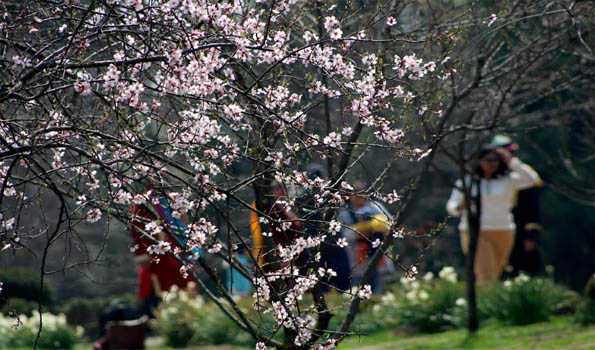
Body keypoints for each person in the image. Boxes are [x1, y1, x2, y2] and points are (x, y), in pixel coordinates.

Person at [446, 143, 541, 284]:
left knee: (494, 273)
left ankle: (477, 303)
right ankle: (483, 304)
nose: (492, 164)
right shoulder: (467, 181)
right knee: (486, 274)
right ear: (479, 161)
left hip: (504, 230)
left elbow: (532, 180)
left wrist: (512, 160)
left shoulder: (509, 180)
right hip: (474, 231)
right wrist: (459, 207)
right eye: (487, 160)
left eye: (495, 160)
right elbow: (451, 206)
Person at [491, 135, 545, 277]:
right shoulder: (491, 174)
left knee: (525, 268)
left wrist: (531, 236)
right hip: (497, 226)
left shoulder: (521, 171)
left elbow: (533, 203)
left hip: (521, 227)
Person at [296, 163, 351, 292]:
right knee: (334, 275)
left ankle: (330, 292)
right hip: (325, 240)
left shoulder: (307, 197)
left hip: (323, 241)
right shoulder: (324, 195)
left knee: (326, 274)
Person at [338, 181, 391, 293]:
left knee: (378, 287)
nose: (360, 197)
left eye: (363, 193)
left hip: (377, 254)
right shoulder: (344, 213)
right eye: (357, 194)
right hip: (355, 256)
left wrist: (374, 228)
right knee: (358, 287)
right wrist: (359, 232)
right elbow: (342, 234)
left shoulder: (375, 207)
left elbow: (390, 226)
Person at [249, 181, 306, 273]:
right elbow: (275, 235)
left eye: (284, 189)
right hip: (282, 258)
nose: (283, 192)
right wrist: (284, 257)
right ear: (273, 192)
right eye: (279, 189)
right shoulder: (273, 210)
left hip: (296, 254)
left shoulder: (285, 208)